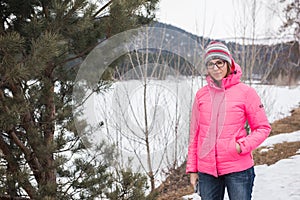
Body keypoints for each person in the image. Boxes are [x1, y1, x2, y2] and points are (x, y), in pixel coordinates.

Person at [186, 41, 271, 200]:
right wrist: (192, 169)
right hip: (207, 170)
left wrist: (240, 146)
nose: (215, 68)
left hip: (238, 168)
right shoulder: (201, 95)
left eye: (219, 62)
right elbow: (195, 134)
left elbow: (263, 128)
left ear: (228, 64)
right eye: (211, 64)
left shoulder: (246, 93)